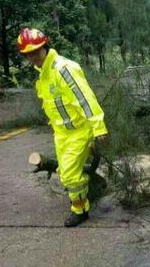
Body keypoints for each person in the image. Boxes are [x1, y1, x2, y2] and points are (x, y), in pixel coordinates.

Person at [18, 28, 108, 227]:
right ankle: (89, 193)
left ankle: (80, 211)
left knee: (68, 174)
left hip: (79, 130)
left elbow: (84, 98)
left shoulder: (63, 69)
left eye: (36, 51)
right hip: (62, 133)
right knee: (65, 171)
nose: (33, 56)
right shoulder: (43, 74)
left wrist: (98, 127)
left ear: (45, 47)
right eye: (28, 54)